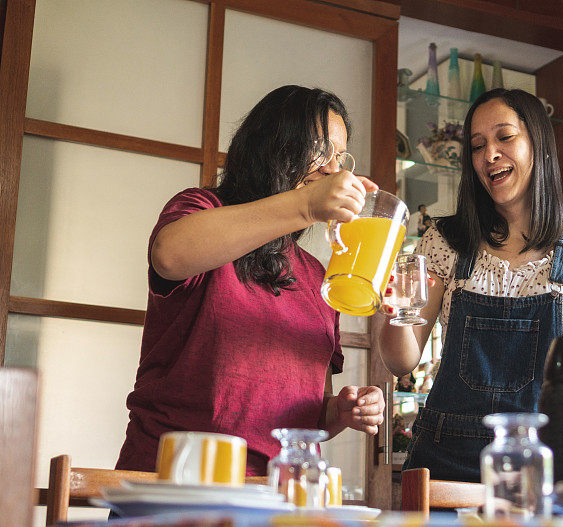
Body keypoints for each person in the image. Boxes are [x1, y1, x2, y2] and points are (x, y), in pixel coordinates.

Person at [116, 85, 385, 476]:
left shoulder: (316, 275)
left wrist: (340, 411)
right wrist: (307, 204)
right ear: (271, 147)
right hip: (172, 480)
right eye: (318, 149)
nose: (332, 169)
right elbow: (170, 256)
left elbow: (307, 412)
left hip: (276, 491)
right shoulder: (201, 208)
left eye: (340, 157)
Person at [378, 88, 563, 482]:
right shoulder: (445, 241)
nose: (489, 155)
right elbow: (401, 362)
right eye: (478, 145)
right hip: (445, 462)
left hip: (551, 462)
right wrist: (397, 309)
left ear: (539, 144)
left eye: (505, 137)